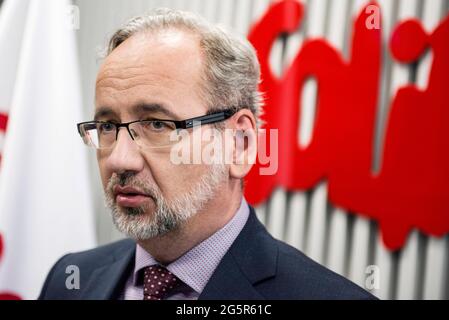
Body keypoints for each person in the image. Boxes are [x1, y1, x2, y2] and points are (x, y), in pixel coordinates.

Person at [39, 8, 375, 300]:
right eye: (108, 126)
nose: (119, 160)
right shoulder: (69, 279)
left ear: (239, 143)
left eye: (157, 124)